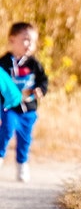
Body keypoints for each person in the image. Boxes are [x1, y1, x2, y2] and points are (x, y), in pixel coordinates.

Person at [0, 22, 49, 182]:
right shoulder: (4, 63)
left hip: (28, 109)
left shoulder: (34, 64)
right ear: (12, 39)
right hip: (9, 107)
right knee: (6, 130)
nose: (29, 45)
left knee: (25, 138)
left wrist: (40, 89)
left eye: (33, 41)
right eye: (26, 39)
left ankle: (22, 164)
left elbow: (43, 80)